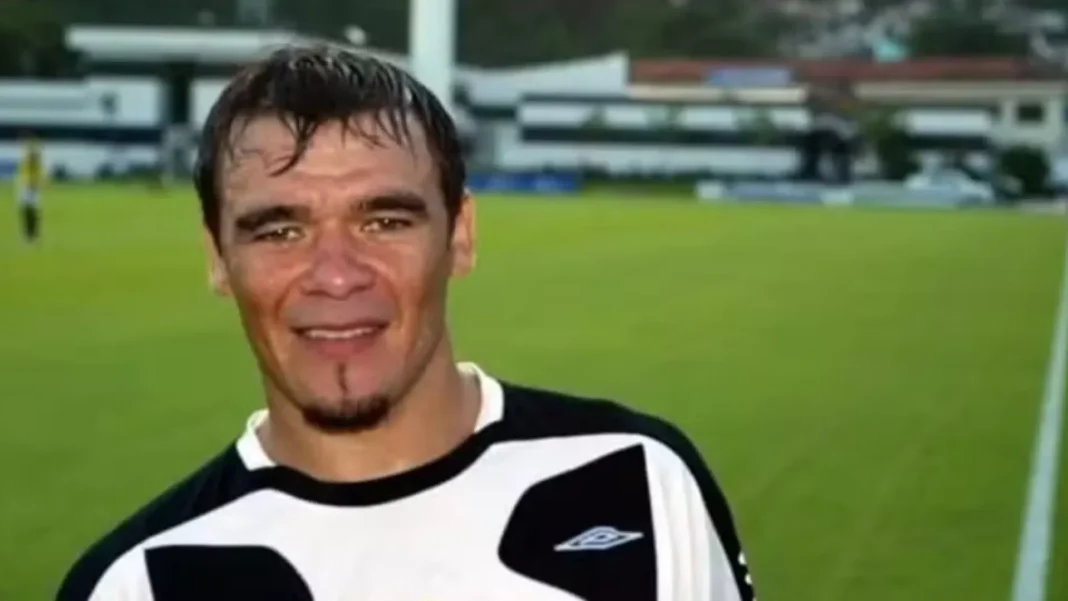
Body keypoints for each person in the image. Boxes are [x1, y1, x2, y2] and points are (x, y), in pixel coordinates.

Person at [56, 43, 756, 601]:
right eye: (279, 231)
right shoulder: (138, 583)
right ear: (217, 257)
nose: (336, 275)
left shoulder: (639, 480)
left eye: (385, 221)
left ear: (460, 235)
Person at [15, 132, 43, 244]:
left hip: (31, 185)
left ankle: (32, 233)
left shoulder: (32, 153)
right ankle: (29, 233)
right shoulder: (27, 152)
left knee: (31, 210)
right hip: (26, 184)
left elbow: (34, 166)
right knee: (26, 210)